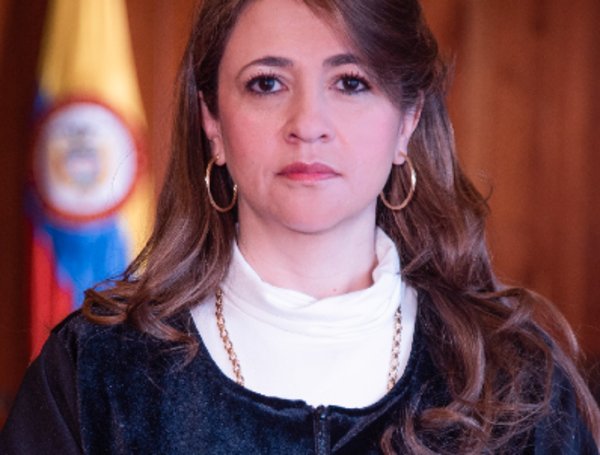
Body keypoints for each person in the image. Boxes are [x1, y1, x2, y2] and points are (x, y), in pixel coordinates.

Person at [2, 0, 599, 453]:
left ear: (407, 121)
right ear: (212, 121)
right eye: (267, 83)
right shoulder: (95, 372)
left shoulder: (517, 381)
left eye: (351, 82)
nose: (308, 123)